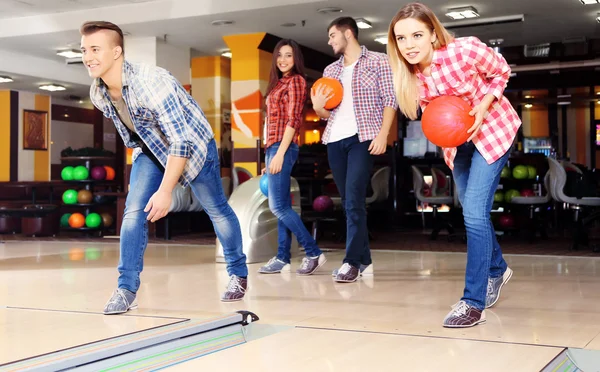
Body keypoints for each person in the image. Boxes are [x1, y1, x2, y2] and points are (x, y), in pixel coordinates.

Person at [80, 21, 249, 314]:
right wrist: (142, 182)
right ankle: (126, 288)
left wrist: (166, 190)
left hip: (194, 147)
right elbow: (133, 135)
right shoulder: (98, 93)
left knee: (216, 210)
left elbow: (180, 140)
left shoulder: (152, 81)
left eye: (95, 49)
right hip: (150, 150)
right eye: (84, 50)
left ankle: (238, 272)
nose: (88, 56)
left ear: (117, 52)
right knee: (133, 212)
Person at [387, 2, 519, 328]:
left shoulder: (464, 51)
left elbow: (501, 70)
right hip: (457, 144)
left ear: (433, 33)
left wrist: (484, 105)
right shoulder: (411, 77)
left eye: (417, 34)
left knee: (474, 212)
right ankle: (498, 268)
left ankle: (472, 302)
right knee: (471, 211)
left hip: (493, 132)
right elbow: (437, 115)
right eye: (401, 39)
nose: (410, 45)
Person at [311, 17, 398, 283]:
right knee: (350, 203)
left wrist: (383, 135)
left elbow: (390, 99)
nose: (329, 41)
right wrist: (317, 107)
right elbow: (326, 113)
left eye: (332, 35)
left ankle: (350, 262)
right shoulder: (330, 70)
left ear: (348, 33)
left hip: (363, 138)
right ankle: (365, 260)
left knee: (353, 200)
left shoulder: (379, 61)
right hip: (335, 140)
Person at [258, 39, 327, 275]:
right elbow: (272, 122)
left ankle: (313, 252)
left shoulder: (297, 81)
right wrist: (270, 157)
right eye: (280, 55)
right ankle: (282, 257)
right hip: (273, 147)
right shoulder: (277, 84)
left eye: (288, 55)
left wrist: (279, 153)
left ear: (295, 59)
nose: (283, 60)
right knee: (282, 205)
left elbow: (293, 120)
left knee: (277, 207)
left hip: (282, 146)